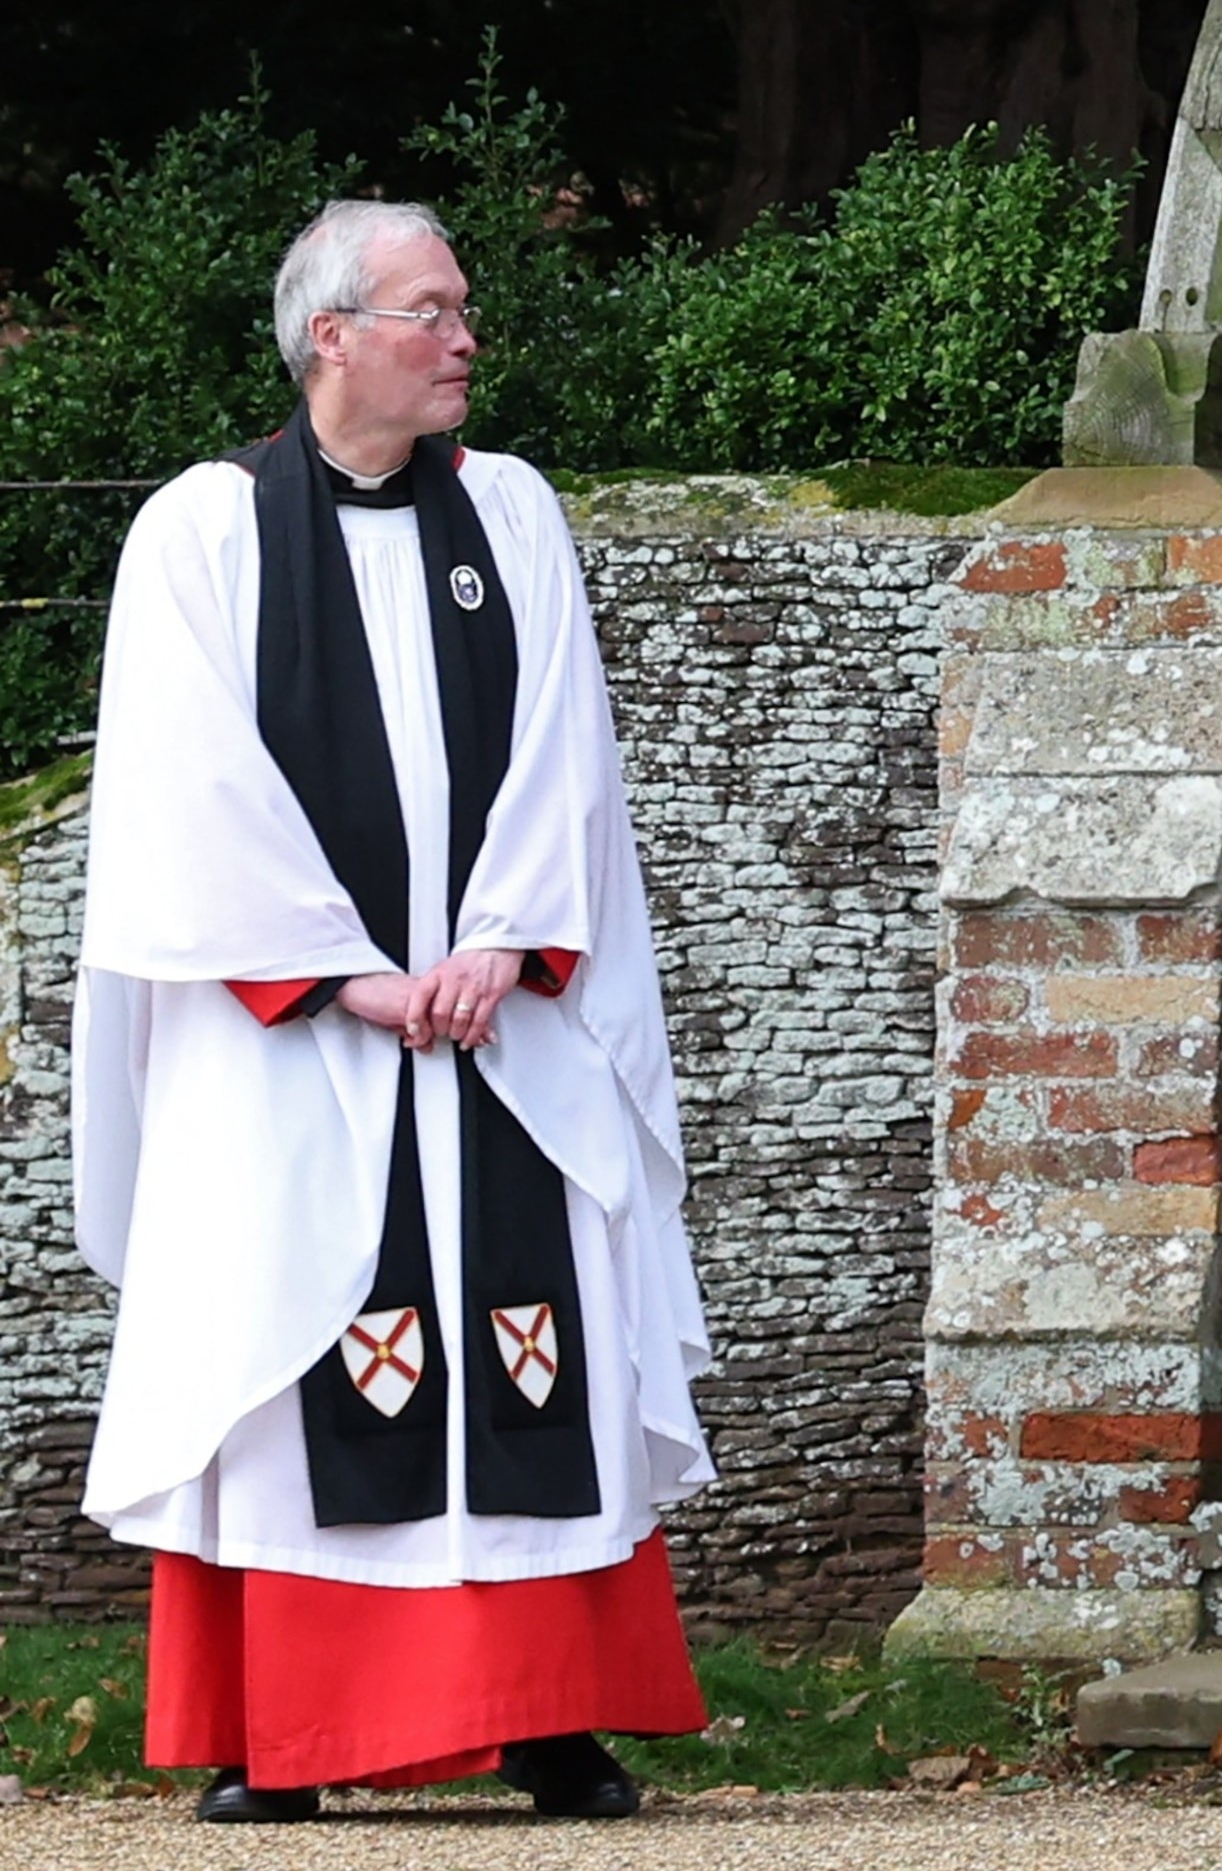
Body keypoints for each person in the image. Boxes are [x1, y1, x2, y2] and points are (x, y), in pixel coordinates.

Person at [73, 200, 712, 1821]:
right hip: (294, 1044)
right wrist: (347, 973)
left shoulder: (511, 513)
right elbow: (181, 787)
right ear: (330, 336)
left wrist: (498, 945)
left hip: (499, 1036)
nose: (464, 337)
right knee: (299, 1344)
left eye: (465, 308)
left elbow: (572, 754)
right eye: (431, 310)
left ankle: (554, 1719)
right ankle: (276, 1740)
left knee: (533, 1353)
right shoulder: (203, 532)